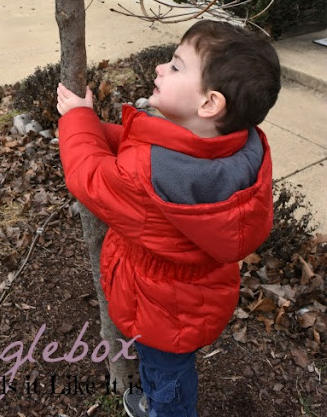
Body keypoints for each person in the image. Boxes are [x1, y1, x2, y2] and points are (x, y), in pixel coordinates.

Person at [56, 20, 281, 417]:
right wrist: (94, 125)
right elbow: (140, 150)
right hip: (197, 298)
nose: (160, 68)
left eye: (176, 66)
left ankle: (164, 411)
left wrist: (76, 119)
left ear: (210, 103)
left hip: (160, 309)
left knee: (166, 377)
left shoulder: (147, 174)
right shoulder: (242, 148)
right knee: (172, 368)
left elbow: (89, 176)